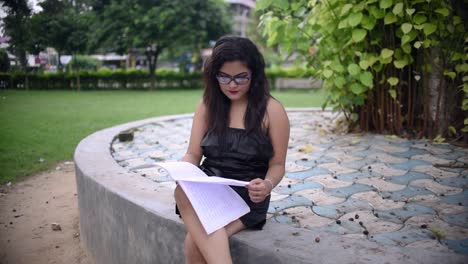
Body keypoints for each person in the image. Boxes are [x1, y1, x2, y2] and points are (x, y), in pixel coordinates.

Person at [174, 35, 290, 264]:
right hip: (210, 190)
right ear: (214, 75)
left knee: (193, 242)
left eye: (241, 78)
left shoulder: (272, 111)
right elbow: (194, 154)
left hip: (247, 196)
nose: (232, 85)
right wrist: (183, 171)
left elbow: (277, 165)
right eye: (224, 77)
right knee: (181, 191)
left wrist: (266, 185)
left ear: (254, 75)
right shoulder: (207, 105)